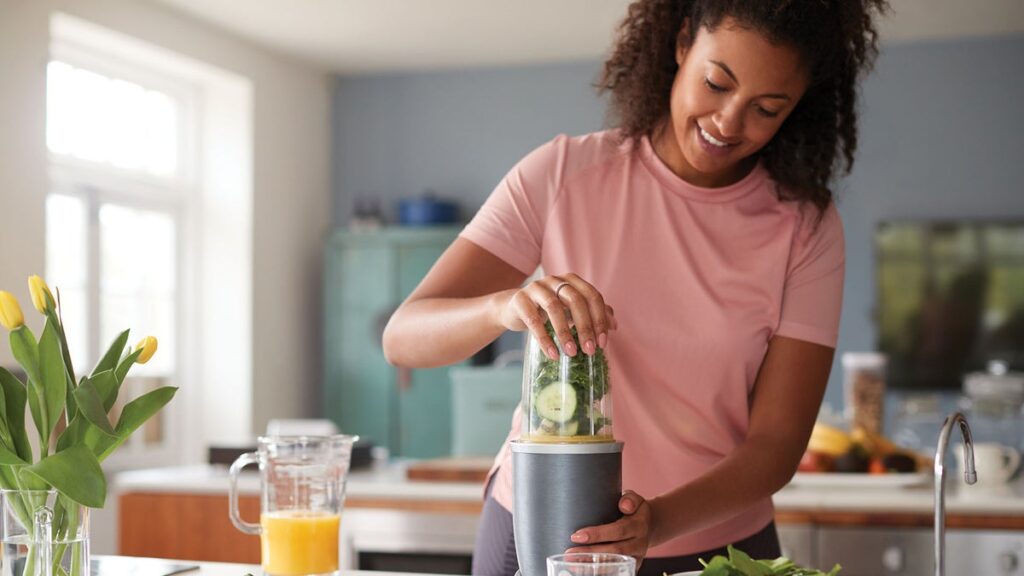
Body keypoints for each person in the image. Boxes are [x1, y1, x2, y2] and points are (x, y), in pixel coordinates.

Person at [382, 0, 888, 573]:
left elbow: (776, 445)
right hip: (546, 529)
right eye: (716, 83)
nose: (728, 121)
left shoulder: (805, 229)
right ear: (681, 45)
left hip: (719, 549)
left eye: (766, 109)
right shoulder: (562, 174)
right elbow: (404, 337)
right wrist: (502, 307)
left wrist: (656, 523)